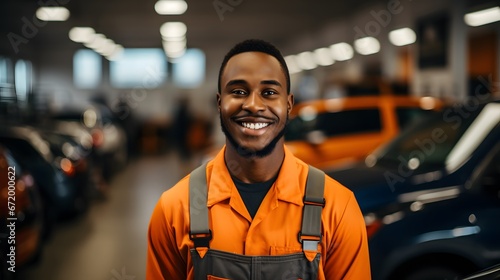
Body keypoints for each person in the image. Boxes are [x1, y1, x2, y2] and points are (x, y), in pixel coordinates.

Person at [146, 39, 371, 279]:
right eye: (238, 91)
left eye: (269, 92)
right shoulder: (174, 209)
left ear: (289, 104)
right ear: (220, 103)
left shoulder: (338, 208)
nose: (253, 105)